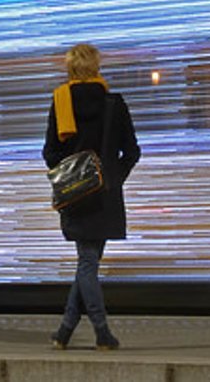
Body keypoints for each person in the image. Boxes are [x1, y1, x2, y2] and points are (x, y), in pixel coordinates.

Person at [42, 42, 139, 351]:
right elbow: (132, 152)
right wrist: (110, 176)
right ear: (96, 67)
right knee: (88, 262)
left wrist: (71, 174)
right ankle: (96, 331)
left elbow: (50, 152)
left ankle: (73, 332)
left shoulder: (60, 102)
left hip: (75, 195)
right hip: (106, 195)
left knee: (87, 262)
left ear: (71, 68)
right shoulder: (114, 103)